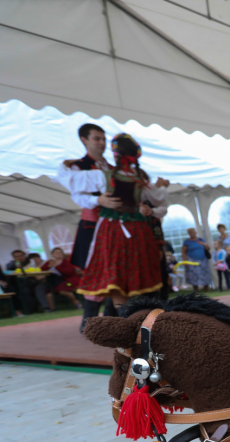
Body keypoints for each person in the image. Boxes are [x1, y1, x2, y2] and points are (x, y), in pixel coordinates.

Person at [57, 133, 169, 307]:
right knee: (139, 274)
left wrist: (64, 166)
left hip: (113, 230)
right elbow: (158, 198)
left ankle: (123, 319)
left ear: (115, 153)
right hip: (138, 231)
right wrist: (162, 187)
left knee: (116, 276)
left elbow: (68, 180)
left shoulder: (104, 176)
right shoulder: (140, 179)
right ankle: (143, 320)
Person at [59, 123, 120, 329]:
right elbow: (77, 196)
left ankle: (112, 320)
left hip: (115, 226)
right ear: (84, 140)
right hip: (92, 225)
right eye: (96, 139)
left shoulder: (113, 168)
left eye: (103, 139)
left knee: (116, 271)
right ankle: (89, 322)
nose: (102, 143)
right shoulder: (77, 167)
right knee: (95, 271)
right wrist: (98, 201)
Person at [181, 228, 213, 292]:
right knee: (193, 275)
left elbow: (208, 248)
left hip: (203, 260)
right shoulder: (187, 242)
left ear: (195, 232)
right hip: (192, 260)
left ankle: (206, 288)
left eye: (192, 232)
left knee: (204, 274)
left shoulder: (201, 240)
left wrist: (203, 244)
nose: (191, 233)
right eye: (190, 232)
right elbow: (183, 252)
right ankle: (196, 289)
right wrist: (185, 262)